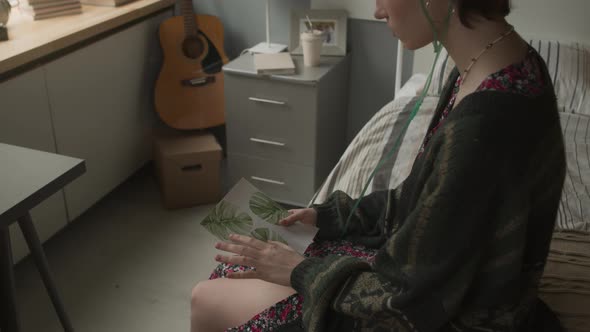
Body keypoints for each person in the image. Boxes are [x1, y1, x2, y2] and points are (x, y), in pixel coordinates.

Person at [191, 0, 567, 331]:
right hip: (435, 282)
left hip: (438, 314)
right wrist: (325, 217)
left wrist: (297, 270)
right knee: (243, 262)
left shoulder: (485, 125)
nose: (377, 10)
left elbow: (408, 300)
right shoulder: (499, 65)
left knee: (206, 297)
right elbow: (425, 203)